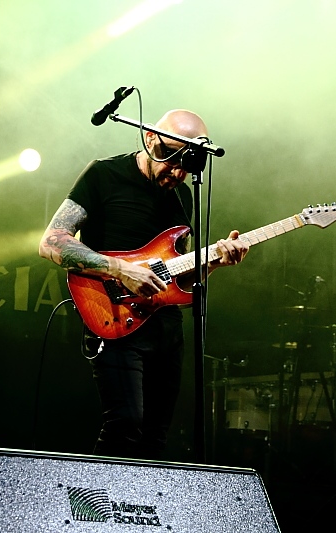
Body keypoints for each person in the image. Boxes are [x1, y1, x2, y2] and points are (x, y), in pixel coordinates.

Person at [38, 109, 249, 460]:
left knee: (155, 437)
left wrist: (214, 263)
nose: (177, 172)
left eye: (187, 165)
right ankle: (95, 510)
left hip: (165, 328)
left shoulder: (182, 195)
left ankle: (138, 513)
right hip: (113, 315)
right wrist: (121, 269)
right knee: (124, 424)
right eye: (170, 158)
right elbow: (52, 241)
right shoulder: (104, 175)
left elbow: (176, 278)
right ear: (149, 138)